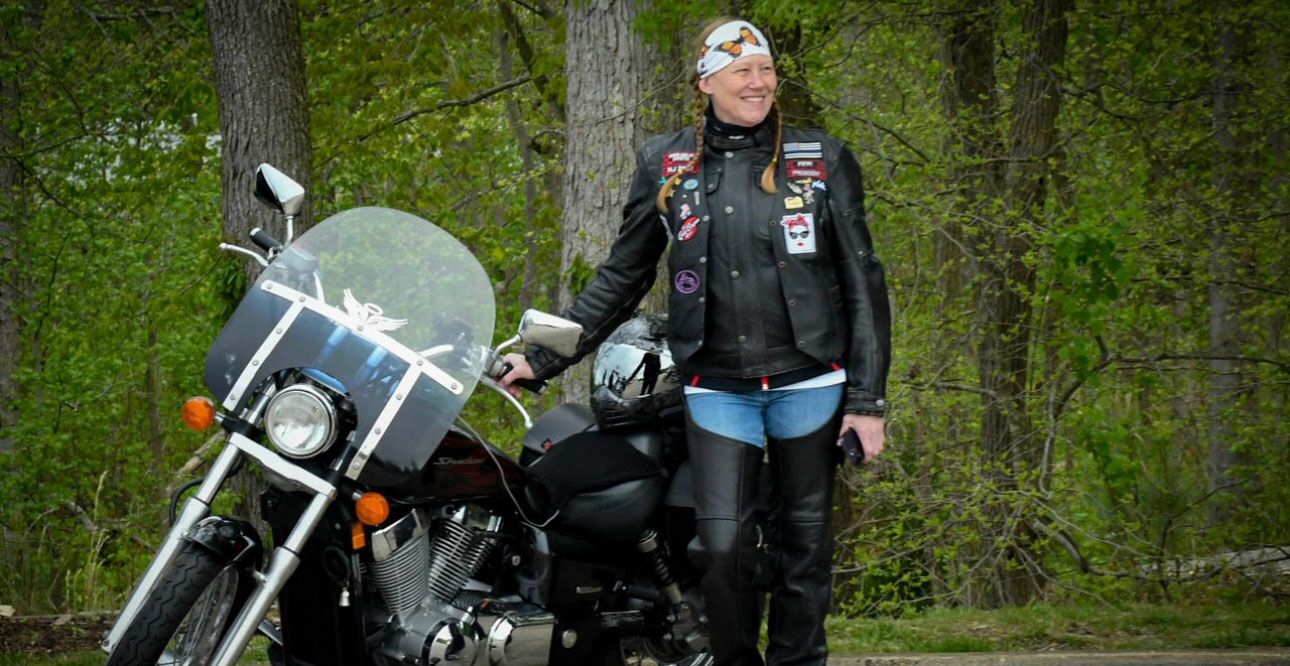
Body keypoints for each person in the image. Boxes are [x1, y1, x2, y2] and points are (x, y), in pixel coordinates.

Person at [501, 17, 890, 666]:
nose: (759, 83)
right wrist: (542, 354)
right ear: (706, 81)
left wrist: (868, 401)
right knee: (721, 550)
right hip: (717, 389)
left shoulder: (821, 160)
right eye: (743, 72)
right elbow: (622, 277)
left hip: (811, 384)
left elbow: (864, 287)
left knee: (804, 550)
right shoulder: (667, 163)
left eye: (765, 70)